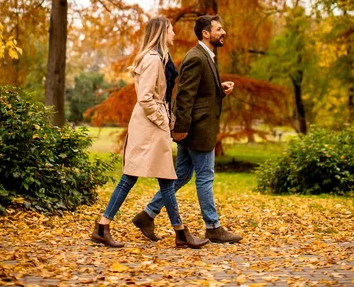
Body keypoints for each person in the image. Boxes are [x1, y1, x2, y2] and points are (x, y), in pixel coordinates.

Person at [91, 17, 209, 250]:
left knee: (163, 178)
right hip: (149, 127)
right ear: (162, 32)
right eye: (171, 30)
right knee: (135, 177)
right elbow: (146, 98)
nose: (174, 33)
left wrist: (168, 120)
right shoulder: (153, 60)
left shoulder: (159, 59)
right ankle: (104, 227)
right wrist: (164, 121)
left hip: (152, 125)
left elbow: (160, 99)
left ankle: (178, 232)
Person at [132, 15, 242, 244]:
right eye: (219, 29)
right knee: (205, 176)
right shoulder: (196, 57)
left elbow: (198, 92)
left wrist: (218, 89)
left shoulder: (205, 56)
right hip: (196, 129)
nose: (223, 33)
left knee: (181, 175)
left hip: (194, 127)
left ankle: (147, 214)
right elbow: (184, 96)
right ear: (205, 33)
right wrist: (180, 129)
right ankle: (213, 226)